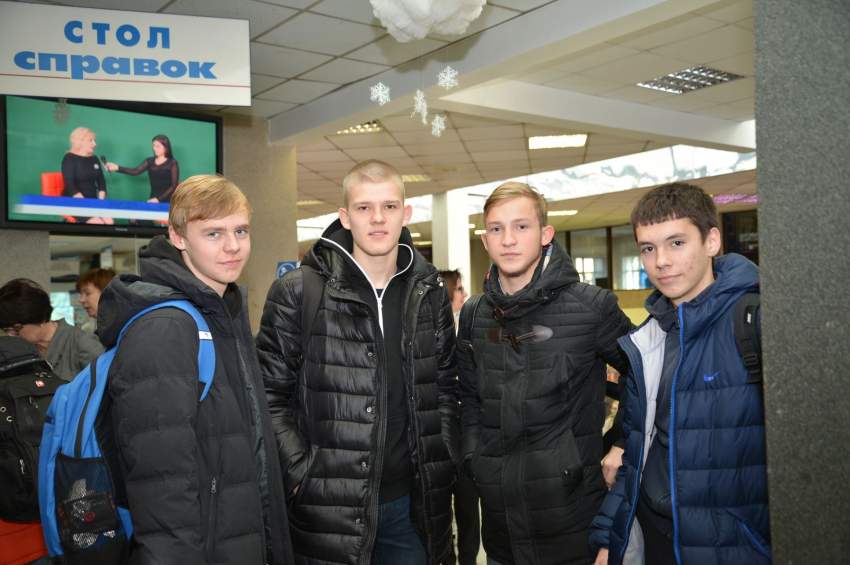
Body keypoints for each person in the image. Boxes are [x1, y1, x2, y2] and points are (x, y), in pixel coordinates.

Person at [257, 159, 459, 565]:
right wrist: (300, 476)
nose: (378, 218)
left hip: (411, 508)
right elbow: (269, 396)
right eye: (364, 207)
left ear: (406, 213)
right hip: (326, 507)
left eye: (389, 206)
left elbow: (445, 387)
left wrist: (444, 458)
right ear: (345, 217)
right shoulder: (298, 291)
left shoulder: (429, 291)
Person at [95, 174, 293, 564]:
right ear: (178, 237)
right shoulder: (165, 326)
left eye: (240, 230)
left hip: (236, 537)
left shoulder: (222, 312)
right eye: (214, 233)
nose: (233, 246)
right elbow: (160, 478)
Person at [589, 183, 769, 565]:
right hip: (656, 541)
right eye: (647, 248)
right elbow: (636, 454)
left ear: (712, 241)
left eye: (676, 243)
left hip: (733, 547)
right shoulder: (648, 340)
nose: (661, 261)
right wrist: (609, 541)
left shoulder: (755, 322)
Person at [456, 181, 632, 565]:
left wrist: (621, 444)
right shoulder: (474, 314)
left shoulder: (591, 307)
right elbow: (468, 396)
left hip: (572, 520)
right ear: (485, 240)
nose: (508, 240)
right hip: (500, 527)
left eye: (521, 226)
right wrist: (474, 457)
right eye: (497, 229)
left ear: (545, 234)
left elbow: (646, 377)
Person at [439, 269, 481, 565]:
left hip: (467, 438)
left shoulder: (468, 331)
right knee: (440, 514)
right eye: (458, 289)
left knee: (469, 514)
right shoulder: (430, 335)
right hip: (440, 439)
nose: (464, 294)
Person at [0, 278, 104, 381]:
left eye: (16, 328)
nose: (10, 335)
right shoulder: (20, 350)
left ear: (39, 318)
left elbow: (104, 386)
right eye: (6, 330)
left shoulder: (83, 344)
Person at [61, 126, 113, 225]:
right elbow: (70, 186)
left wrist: (100, 203)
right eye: (91, 140)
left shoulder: (94, 158)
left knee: (110, 222)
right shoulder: (69, 158)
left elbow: (101, 183)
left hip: (93, 201)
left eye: (94, 140)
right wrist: (88, 208)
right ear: (80, 141)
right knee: (98, 223)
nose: (95, 144)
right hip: (74, 202)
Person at [106, 134, 180, 203]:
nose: (154, 148)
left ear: (166, 147)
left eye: (158, 146)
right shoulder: (149, 161)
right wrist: (117, 167)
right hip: (153, 199)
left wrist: (158, 199)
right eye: (153, 145)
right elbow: (135, 171)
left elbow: (174, 185)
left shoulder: (172, 163)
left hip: (169, 201)